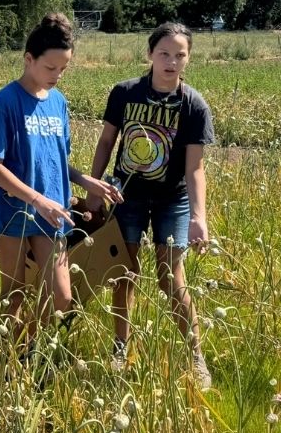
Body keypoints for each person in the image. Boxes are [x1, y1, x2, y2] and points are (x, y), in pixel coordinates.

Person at [0, 13, 122, 344]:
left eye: (63, 69)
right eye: (50, 67)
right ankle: (4, 356)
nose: (57, 76)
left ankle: (29, 347)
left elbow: (57, 161)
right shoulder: (5, 103)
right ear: (29, 59)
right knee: (13, 292)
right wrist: (37, 200)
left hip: (52, 210)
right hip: (11, 209)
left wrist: (86, 181)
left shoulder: (58, 103)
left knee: (61, 296)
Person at [86, 22, 214, 389]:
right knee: (124, 273)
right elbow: (106, 143)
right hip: (125, 196)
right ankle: (120, 348)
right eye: (164, 54)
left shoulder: (194, 106)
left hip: (172, 200)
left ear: (188, 58)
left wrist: (198, 218)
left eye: (180, 55)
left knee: (170, 278)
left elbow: (195, 169)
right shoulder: (125, 93)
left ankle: (195, 355)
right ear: (150, 55)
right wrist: (96, 188)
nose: (171, 62)